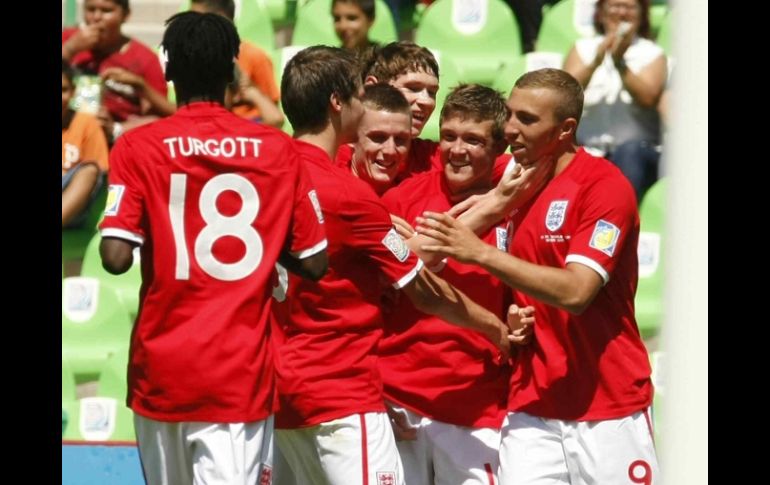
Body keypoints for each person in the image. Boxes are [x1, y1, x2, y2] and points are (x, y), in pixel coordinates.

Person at [274, 45, 525, 485]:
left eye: (429, 93)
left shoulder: (265, 172)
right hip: (344, 393)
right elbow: (419, 281)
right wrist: (496, 329)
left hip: (286, 392)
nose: (419, 105)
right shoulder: (358, 197)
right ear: (342, 103)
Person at [98, 12, 328, 484]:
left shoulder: (138, 147)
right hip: (237, 374)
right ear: (231, 72)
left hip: (160, 371)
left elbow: (115, 257)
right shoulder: (277, 149)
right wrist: (265, 239)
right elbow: (315, 262)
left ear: (166, 71)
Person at [417, 68, 659, 484]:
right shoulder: (513, 181)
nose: (510, 129)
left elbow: (578, 291)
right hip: (532, 403)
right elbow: (424, 255)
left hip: (607, 405)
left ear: (565, 129)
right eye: (510, 114)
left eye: (527, 119)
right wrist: (515, 313)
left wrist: (480, 254)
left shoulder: (603, 187)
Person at [379, 83, 535, 485]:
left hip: (476, 409)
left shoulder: (520, 205)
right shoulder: (400, 200)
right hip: (400, 402)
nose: (457, 150)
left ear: (500, 146)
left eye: (474, 140)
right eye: (449, 136)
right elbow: (385, 285)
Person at [564, 0, 667, 202]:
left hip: (635, 153)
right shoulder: (582, 48)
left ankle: (618, 220)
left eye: (629, 7)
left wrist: (619, 63)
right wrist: (596, 60)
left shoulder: (652, 53)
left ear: (641, 15)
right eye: (614, 5)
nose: (621, 12)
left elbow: (648, 98)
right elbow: (564, 94)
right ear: (601, 13)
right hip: (590, 148)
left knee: (630, 153)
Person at [62, 0, 174, 143]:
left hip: (118, 141)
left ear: (125, 15)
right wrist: (69, 50)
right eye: (90, 9)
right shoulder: (69, 39)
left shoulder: (144, 58)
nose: (96, 17)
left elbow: (164, 115)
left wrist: (116, 128)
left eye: (106, 11)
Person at [190, 0, 284, 128]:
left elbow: (275, 116)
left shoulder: (254, 56)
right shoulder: (194, 57)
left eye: (196, 21)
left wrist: (250, 90)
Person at [341, 82, 413, 195]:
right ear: (350, 138)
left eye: (400, 139)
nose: (390, 151)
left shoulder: (416, 198)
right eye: (378, 137)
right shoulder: (326, 190)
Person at [62, 58, 109, 227]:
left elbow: (99, 173)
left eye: (64, 90)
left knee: (89, 170)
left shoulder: (86, 123)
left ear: (73, 91)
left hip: (69, 199)